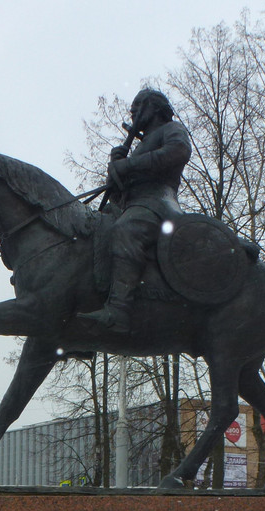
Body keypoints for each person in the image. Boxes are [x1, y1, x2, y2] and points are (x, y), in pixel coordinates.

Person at [78, 87, 192, 334]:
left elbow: (178, 152)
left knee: (125, 230)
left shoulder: (171, 130)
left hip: (158, 201)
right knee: (92, 232)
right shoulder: (140, 145)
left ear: (154, 108)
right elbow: (122, 190)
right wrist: (115, 167)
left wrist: (128, 164)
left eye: (138, 108)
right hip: (134, 203)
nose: (133, 113)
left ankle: (119, 311)